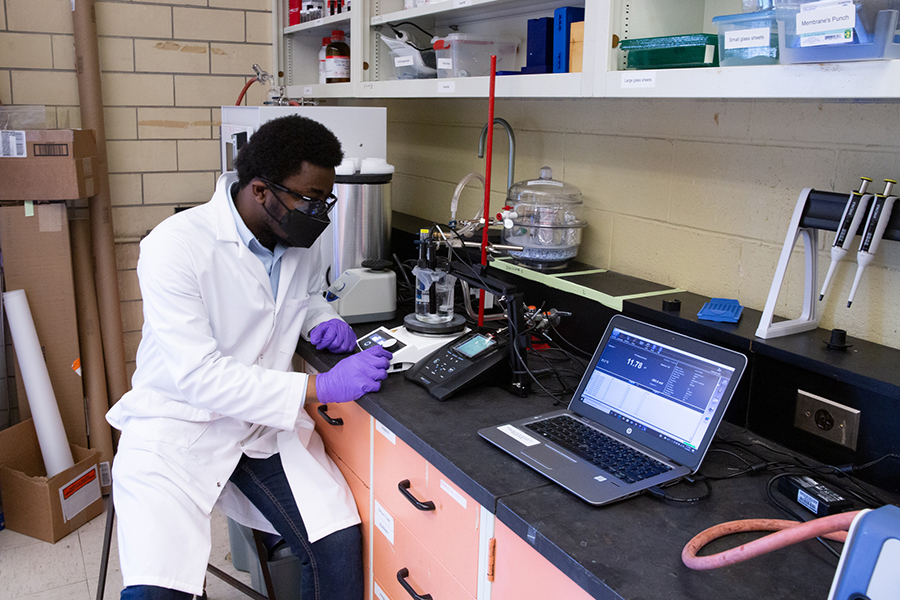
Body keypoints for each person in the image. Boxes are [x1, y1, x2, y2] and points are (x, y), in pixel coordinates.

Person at [107, 115, 392, 600]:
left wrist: (320, 317)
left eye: (327, 199)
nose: (320, 213)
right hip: (180, 428)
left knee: (337, 545)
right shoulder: (174, 247)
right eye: (310, 199)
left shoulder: (297, 238)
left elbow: (299, 294)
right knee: (159, 590)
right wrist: (319, 387)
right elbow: (201, 377)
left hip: (260, 428)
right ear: (261, 190)